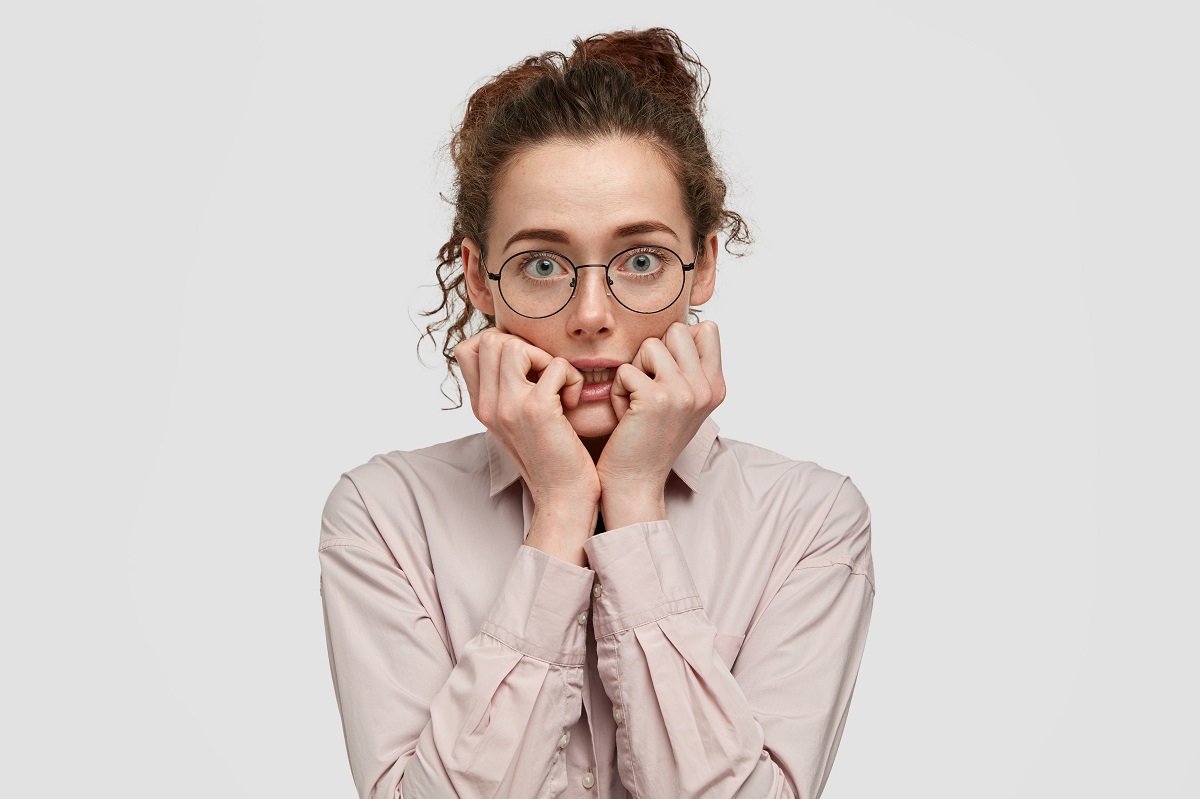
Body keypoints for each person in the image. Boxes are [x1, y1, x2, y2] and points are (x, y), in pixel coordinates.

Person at [318, 27, 874, 798]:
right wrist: (562, 511)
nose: (590, 314)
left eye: (640, 259)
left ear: (703, 264)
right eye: (542, 264)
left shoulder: (810, 520)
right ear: (480, 278)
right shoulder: (384, 515)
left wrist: (637, 502)